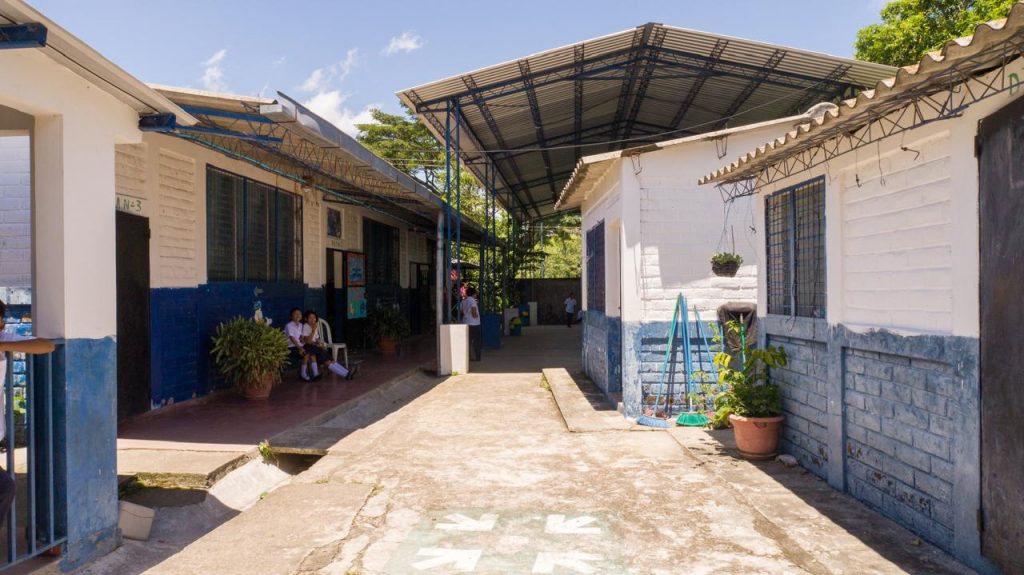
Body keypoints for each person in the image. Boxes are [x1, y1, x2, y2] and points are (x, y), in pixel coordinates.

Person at [0, 300, 55, 524]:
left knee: (5, 488)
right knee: (5, 487)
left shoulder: (3, 338)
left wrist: (3, 345)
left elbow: (47, 346)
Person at [301, 310, 357, 380]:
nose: (313, 319)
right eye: (310, 318)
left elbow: (316, 338)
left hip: (316, 347)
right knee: (327, 361)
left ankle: (347, 373)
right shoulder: (306, 326)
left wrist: (320, 343)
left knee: (331, 360)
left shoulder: (314, 326)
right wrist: (313, 330)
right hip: (310, 347)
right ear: (306, 319)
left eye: (314, 317)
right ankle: (345, 375)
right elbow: (308, 341)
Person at [284, 308, 311, 381]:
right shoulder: (289, 325)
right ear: (291, 316)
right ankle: (303, 374)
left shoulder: (301, 325)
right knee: (305, 353)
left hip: (299, 346)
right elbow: (292, 338)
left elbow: (301, 337)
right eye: (295, 314)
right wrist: (300, 348)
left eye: (299, 314)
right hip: (291, 347)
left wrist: (302, 340)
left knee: (312, 350)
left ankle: (312, 373)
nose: (298, 315)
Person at [460, 286, 482, 361]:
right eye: (475, 293)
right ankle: (477, 357)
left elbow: (461, 311)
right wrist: (475, 316)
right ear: (473, 293)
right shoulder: (472, 300)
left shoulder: (463, 301)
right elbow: (474, 310)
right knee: (476, 341)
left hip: (466, 323)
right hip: (474, 323)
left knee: (468, 341)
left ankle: (469, 357)